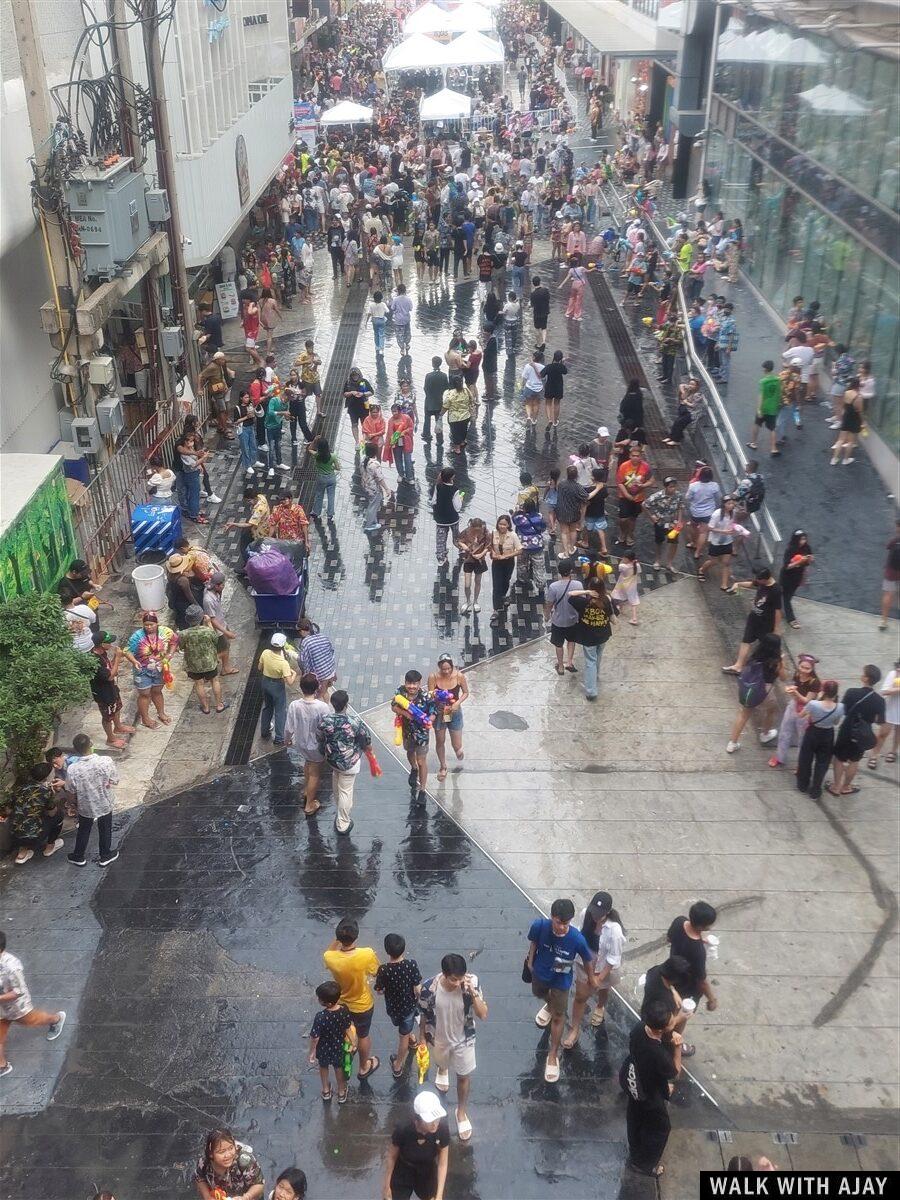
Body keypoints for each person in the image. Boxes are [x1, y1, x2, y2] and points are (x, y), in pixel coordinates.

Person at [418, 953, 487, 1142]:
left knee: (463, 1077)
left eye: (461, 978)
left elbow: (483, 1014)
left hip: (464, 1040)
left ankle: (461, 1112)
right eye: (453, 979)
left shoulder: (471, 983)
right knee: (441, 1061)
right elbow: (423, 1015)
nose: (458, 983)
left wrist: (472, 993)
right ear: (444, 974)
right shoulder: (428, 989)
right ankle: (442, 1068)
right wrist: (422, 1039)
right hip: (439, 1039)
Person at [526, 898, 595, 1083]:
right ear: (552, 918)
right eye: (559, 922)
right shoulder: (539, 926)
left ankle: (553, 1054)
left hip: (561, 980)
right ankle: (549, 1005)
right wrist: (531, 962)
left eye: (566, 923)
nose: (562, 927)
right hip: (540, 973)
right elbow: (533, 942)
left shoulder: (576, 938)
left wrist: (592, 978)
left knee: (559, 1016)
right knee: (539, 993)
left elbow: (587, 959)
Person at [620, 1000, 681, 1177]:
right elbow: (674, 1071)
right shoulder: (659, 1055)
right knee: (660, 1127)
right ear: (661, 1029)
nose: (673, 1022)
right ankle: (643, 1163)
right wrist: (677, 1047)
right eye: (671, 1021)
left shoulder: (639, 1029)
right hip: (650, 1095)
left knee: (634, 1117)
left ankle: (635, 1147)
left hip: (634, 1082)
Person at [562, 891, 626, 1048]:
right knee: (580, 996)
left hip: (603, 966)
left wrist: (599, 977)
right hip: (584, 962)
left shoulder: (614, 931)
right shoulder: (586, 914)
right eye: (594, 912)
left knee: (603, 989)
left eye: (600, 914)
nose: (595, 916)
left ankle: (600, 1006)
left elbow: (613, 958)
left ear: (608, 913)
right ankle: (574, 1028)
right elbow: (578, 933)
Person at [0, 931, 66, 1077]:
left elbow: (18, 992)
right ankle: (2, 1065)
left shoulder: (12, 967)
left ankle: (56, 1019)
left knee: (32, 1020)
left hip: (16, 1008)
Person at [323, 917, 380, 1078]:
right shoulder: (366, 954)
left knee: (344, 1032)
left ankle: (345, 1059)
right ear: (356, 937)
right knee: (363, 1035)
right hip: (362, 1004)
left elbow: (329, 952)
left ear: (338, 937)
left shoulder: (330, 957)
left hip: (341, 1003)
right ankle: (363, 1067)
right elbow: (375, 971)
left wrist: (338, 938)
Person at [316, 690, 372, 835]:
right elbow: (366, 740)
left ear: (333, 704)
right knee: (346, 792)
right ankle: (343, 823)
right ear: (346, 704)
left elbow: (320, 738)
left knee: (337, 785)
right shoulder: (354, 722)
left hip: (332, 761)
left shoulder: (325, 720)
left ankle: (340, 809)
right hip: (350, 763)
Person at [382, 1090, 450, 1200]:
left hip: (427, 1171)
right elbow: (391, 1156)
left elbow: (443, 1163)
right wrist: (386, 1185)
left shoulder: (442, 1129)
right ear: (417, 1120)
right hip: (403, 1169)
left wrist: (439, 1195)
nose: (435, 1123)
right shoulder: (403, 1129)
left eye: (437, 1118)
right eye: (430, 1120)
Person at [830, 665, 886, 797]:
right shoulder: (880, 700)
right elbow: (880, 720)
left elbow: (842, 711)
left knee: (839, 758)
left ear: (865, 678)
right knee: (854, 760)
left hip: (847, 730)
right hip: (862, 734)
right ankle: (846, 786)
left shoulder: (851, 692)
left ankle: (836, 786)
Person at [65, 733, 120, 867]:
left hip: (86, 805)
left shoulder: (73, 769)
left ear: (76, 750)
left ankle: (78, 856)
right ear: (91, 744)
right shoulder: (106, 761)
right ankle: (105, 855)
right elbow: (114, 780)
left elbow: (70, 790)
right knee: (105, 828)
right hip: (104, 801)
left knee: (84, 829)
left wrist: (73, 804)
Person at [726, 632, 785, 753]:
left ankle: (732, 743)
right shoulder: (775, 662)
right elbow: (784, 677)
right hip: (765, 692)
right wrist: (782, 662)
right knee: (771, 710)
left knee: (744, 714)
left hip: (749, 688)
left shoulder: (755, 656)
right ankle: (765, 734)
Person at [375, 933, 423, 1078]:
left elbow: (379, 990)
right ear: (403, 949)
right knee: (405, 1031)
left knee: (402, 1035)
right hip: (409, 1007)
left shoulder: (383, 970)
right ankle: (411, 1040)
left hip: (394, 1009)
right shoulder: (411, 964)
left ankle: (398, 1065)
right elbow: (417, 987)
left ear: (387, 951)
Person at [284, 673, 330, 816]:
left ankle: (306, 790)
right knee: (315, 773)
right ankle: (310, 804)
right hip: (316, 746)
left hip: (301, 744)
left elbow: (288, 727)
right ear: (317, 688)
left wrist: (287, 739)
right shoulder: (322, 707)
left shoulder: (294, 705)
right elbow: (328, 727)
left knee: (308, 764)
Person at [0, 763, 64, 865]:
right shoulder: (46, 791)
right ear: (46, 777)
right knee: (59, 814)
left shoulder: (19, 788)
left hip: (16, 835)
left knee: (24, 819)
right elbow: (52, 813)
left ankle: (22, 853)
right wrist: (52, 796)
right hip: (36, 835)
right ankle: (50, 847)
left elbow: (8, 811)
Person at [122, 611, 178, 729]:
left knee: (157, 691)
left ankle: (161, 713)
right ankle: (145, 718)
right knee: (145, 694)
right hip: (142, 670)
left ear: (157, 623)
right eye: (146, 625)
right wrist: (134, 661)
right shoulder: (137, 636)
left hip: (159, 668)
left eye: (151, 624)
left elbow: (174, 641)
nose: (148, 627)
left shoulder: (165, 632)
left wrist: (169, 655)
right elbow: (127, 651)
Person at [722, 567, 783, 676]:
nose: (757, 582)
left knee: (767, 646)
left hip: (766, 623)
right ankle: (738, 666)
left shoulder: (776, 590)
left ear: (765, 579)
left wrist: (776, 628)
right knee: (746, 640)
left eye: (759, 580)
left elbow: (777, 611)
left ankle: (770, 669)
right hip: (754, 618)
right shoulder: (761, 582)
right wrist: (738, 584)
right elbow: (752, 584)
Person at [392, 671, 437, 806]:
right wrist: (404, 712)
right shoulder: (400, 692)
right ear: (405, 683)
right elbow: (393, 706)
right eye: (409, 683)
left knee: (421, 761)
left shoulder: (425, 697)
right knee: (410, 753)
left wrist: (429, 720)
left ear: (419, 683)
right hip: (406, 732)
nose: (411, 686)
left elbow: (434, 712)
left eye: (415, 684)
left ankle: (422, 790)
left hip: (422, 733)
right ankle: (414, 768)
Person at [770, 652, 821, 769]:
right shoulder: (798, 674)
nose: (803, 670)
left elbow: (807, 701)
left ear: (812, 669)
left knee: (802, 738)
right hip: (794, 705)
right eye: (802, 667)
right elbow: (793, 684)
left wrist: (795, 692)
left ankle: (801, 764)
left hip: (805, 711)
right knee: (784, 731)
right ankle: (780, 757)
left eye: (807, 668)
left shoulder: (814, 682)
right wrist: (792, 690)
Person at [567, 578, 616, 701]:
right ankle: (595, 676)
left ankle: (591, 691)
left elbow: (570, 595)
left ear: (591, 588)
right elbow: (614, 619)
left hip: (588, 637)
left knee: (590, 661)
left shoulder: (583, 603)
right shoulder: (607, 600)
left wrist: (586, 591)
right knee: (598, 657)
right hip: (603, 635)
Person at [308, 979, 355, 1103]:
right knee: (338, 1068)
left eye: (319, 998)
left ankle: (325, 1090)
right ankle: (341, 1092)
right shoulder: (344, 1011)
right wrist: (353, 1043)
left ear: (327, 1003)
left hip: (323, 1048)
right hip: (338, 1047)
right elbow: (348, 1028)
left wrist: (312, 1052)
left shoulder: (320, 1017)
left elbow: (315, 1037)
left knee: (323, 1067)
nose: (318, 1000)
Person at [796, 681, 844, 799]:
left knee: (806, 759)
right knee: (822, 763)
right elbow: (836, 723)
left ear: (823, 691)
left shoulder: (814, 704)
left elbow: (801, 715)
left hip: (813, 732)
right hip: (828, 734)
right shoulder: (840, 707)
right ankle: (816, 790)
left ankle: (803, 785)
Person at [666, 902, 718, 1012]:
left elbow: (669, 938)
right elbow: (702, 982)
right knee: (684, 1012)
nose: (710, 926)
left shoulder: (679, 921)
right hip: (687, 986)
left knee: (671, 1004)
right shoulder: (698, 951)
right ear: (701, 926)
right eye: (709, 924)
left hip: (671, 972)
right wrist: (712, 1000)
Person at [87, 630, 134, 747]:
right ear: (102, 645)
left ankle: (118, 727)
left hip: (112, 688)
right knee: (107, 716)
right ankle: (110, 739)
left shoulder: (103, 653)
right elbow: (109, 676)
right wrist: (117, 658)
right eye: (109, 643)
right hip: (104, 693)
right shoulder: (94, 660)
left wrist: (115, 659)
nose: (111, 645)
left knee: (117, 707)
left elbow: (110, 667)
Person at [180, 605, 229, 715]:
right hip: (209, 662)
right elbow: (215, 640)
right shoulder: (207, 631)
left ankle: (206, 707)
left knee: (199, 684)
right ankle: (219, 705)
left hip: (194, 664)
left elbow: (181, 647)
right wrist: (209, 623)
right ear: (201, 618)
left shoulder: (183, 634)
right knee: (215, 681)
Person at [427, 654, 468, 782]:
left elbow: (466, 692)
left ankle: (458, 751)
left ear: (452, 666)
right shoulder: (433, 677)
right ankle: (443, 766)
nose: (446, 671)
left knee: (457, 745)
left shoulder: (459, 676)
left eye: (448, 668)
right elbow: (430, 694)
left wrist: (457, 703)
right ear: (439, 667)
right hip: (440, 712)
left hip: (453, 711)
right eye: (443, 669)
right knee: (440, 740)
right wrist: (436, 697)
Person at [194, 1128, 264, 1200]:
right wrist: (207, 1196)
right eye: (221, 1152)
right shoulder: (204, 1163)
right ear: (211, 1154)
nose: (228, 1155)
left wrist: (246, 1197)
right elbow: (199, 1178)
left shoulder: (245, 1161)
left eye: (231, 1148)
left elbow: (259, 1184)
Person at [258, 632, 297, 745]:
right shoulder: (283, 663)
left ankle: (264, 731)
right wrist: (293, 673)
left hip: (265, 682)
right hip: (277, 686)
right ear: (282, 646)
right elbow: (289, 681)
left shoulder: (265, 653)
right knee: (280, 711)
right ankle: (279, 737)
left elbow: (259, 667)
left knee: (267, 707)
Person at [616, 444, 655, 549]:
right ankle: (623, 532)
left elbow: (651, 480)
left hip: (639, 497)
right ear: (630, 456)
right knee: (623, 518)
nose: (635, 458)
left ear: (641, 456)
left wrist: (643, 485)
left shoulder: (646, 467)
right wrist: (627, 494)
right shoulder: (624, 466)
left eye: (637, 456)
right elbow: (620, 482)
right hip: (624, 496)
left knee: (633, 518)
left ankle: (630, 535)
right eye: (633, 455)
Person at [545, 559, 580, 675]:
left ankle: (560, 666)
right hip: (573, 620)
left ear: (559, 572)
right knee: (571, 640)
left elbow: (550, 604)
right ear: (571, 571)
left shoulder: (553, 587)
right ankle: (569, 662)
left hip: (558, 621)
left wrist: (546, 616)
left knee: (558, 644)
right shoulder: (578, 585)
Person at [489, 514, 522, 626]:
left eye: (504, 524)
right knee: (496, 585)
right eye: (500, 524)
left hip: (508, 562)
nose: (502, 526)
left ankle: (503, 596)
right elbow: (489, 546)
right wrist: (493, 553)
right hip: (496, 562)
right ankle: (496, 609)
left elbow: (520, 550)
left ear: (508, 525)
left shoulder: (512, 535)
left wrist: (508, 555)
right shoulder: (493, 533)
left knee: (505, 582)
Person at [644, 477, 683, 571]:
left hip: (673, 524)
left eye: (674, 486)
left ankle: (669, 563)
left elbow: (680, 507)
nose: (673, 489)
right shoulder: (657, 496)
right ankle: (657, 561)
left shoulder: (678, 495)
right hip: (661, 523)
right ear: (665, 487)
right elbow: (645, 505)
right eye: (671, 487)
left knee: (674, 543)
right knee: (659, 542)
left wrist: (679, 521)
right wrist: (651, 517)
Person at [779, 531, 814, 629]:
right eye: (801, 539)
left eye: (804, 539)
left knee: (788, 596)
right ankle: (791, 618)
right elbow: (787, 566)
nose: (803, 541)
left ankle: (776, 605)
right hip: (788, 576)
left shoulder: (807, 548)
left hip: (798, 576)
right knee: (786, 597)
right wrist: (799, 561)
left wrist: (809, 559)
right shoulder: (790, 550)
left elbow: (810, 559)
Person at [456, 517, 490, 615]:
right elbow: (459, 540)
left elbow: (488, 546)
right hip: (468, 560)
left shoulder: (485, 533)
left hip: (479, 560)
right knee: (467, 584)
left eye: (478, 530)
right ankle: (468, 601)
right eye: (474, 530)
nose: (476, 532)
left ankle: (475, 601)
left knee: (478, 581)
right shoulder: (466, 532)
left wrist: (481, 554)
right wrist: (464, 546)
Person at [869, 660, 900, 770]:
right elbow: (884, 691)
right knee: (883, 733)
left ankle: (893, 751)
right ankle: (874, 755)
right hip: (891, 708)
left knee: (898, 733)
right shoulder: (893, 674)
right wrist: (897, 689)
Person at [296, 617, 337, 697]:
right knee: (325, 692)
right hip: (331, 671)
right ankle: (327, 707)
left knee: (318, 695)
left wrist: (307, 677)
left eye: (299, 631)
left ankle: (324, 709)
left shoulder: (306, 642)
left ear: (303, 630)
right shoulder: (323, 636)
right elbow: (331, 652)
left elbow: (304, 661)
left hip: (321, 675)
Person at [431, 468, 463, 566]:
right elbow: (457, 507)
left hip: (440, 519)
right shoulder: (455, 489)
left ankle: (441, 557)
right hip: (452, 518)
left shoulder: (438, 486)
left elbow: (433, 501)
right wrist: (461, 499)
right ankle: (462, 549)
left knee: (441, 539)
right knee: (457, 536)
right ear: (451, 477)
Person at [555, 466, 588, 559]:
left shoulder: (561, 484)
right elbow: (586, 497)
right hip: (574, 512)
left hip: (562, 512)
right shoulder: (578, 487)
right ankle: (571, 548)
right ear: (576, 475)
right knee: (573, 530)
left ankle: (565, 552)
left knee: (564, 532)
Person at [308, 436, 340, 520]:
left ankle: (316, 512)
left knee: (319, 495)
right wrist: (332, 467)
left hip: (321, 478)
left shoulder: (317, 455)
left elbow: (309, 449)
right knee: (331, 496)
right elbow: (338, 468)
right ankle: (330, 513)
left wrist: (314, 440)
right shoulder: (333, 456)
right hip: (331, 478)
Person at [441, 376, 473, 457]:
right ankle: (462, 441)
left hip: (454, 418)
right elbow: (471, 399)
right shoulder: (466, 390)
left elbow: (446, 405)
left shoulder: (451, 393)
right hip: (465, 416)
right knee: (464, 429)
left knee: (455, 433)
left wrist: (441, 414)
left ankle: (457, 448)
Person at [344, 367, 375, 444]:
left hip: (363, 407)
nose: (355, 376)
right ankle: (357, 442)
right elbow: (344, 394)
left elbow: (371, 392)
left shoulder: (364, 381)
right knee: (354, 424)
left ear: (359, 374)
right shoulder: (348, 383)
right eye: (353, 375)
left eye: (356, 375)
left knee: (365, 424)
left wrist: (363, 394)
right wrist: (352, 392)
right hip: (352, 407)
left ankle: (366, 440)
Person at [423, 356, 449, 443]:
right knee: (439, 420)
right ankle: (439, 438)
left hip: (429, 401)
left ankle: (426, 434)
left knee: (427, 419)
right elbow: (446, 387)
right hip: (439, 402)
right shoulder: (444, 375)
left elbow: (425, 388)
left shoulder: (428, 376)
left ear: (433, 363)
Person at [880, 518, 900, 630]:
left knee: (888, 594)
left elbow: (887, 547)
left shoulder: (894, 541)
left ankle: (883, 621)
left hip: (891, 571)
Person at [540, 350, 567, 430]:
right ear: (561, 358)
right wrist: (563, 363)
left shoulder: (549, 366)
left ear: (554, 357)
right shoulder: (561, 366)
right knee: (557, 404)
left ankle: (550, 420)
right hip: (558, 387)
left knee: (548, 403)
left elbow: (542, 375)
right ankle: (555, 421)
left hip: (549, 387)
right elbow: (565, 372)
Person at [529, 276, 551, 348]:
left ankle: (538, 344)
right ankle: (544, 341)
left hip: (537, 313)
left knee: (537, 328)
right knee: (544, 327)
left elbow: (532, 305)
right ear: (539, 282)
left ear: (533, 284)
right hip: (545, 312)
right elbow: (548, 298)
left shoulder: (533, 294)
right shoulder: (545, 290)